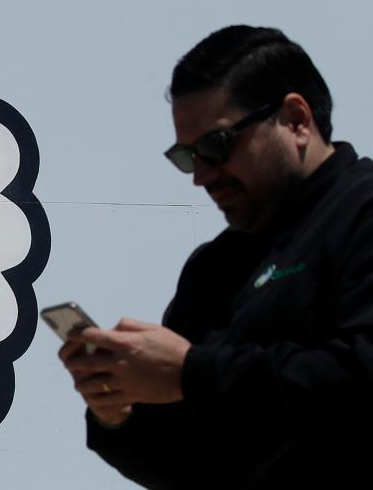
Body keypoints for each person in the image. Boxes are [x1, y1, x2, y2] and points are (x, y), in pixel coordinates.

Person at [58, 25, 373, 488]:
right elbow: (185, 466)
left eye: (215, 147)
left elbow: (360, 378)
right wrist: (119, 415)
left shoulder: (361, 212)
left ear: (296, 119)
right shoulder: (213, 267)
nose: (201, 177)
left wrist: (191, 373)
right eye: (187, 157)